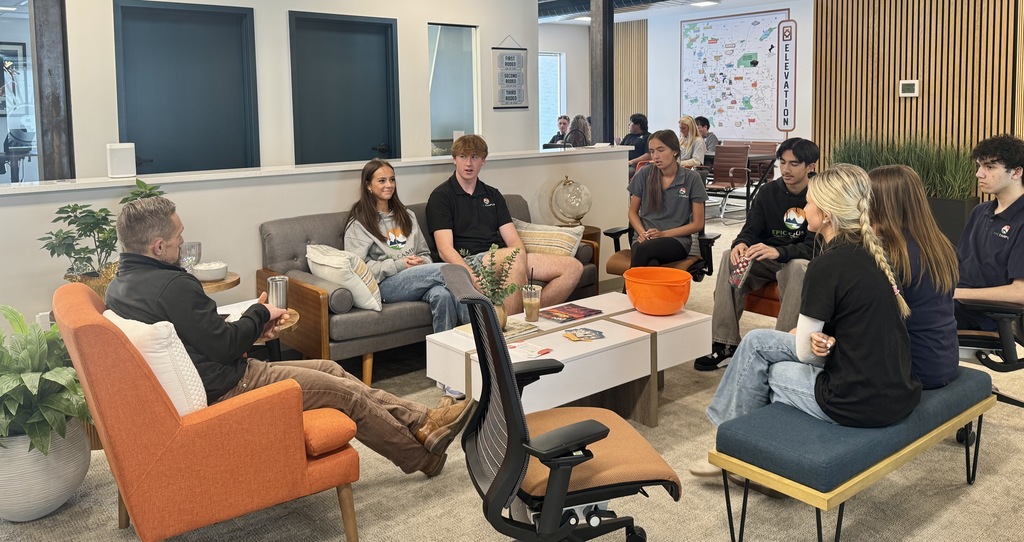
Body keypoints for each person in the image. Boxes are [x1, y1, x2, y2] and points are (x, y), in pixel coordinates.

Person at [105, 197, 475, 478]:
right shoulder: (173, 284)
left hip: (217, 374)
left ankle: (423, 420)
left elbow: (199, 332)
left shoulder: (120, 286)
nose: (182, 242)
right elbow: (226, 344)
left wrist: (252, 324)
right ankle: (422, 457)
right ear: (157, 246)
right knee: (345, 395)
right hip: (233, 384)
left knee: (331, 368)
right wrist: (259, 314)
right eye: (177, 236)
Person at [704, 163, 921, 433]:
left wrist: (806, 337)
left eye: (808, 203)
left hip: (855, 402)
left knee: (763, 368)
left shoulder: (826, 265)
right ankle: (732, 433)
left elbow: (807, 354)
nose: (803, 210)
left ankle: (732, 441)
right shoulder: (877, 255)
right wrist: (822, 337)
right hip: (899, 392)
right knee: (757, 341)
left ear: (826, 215)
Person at [694, 137, 819, 371]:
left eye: (794, 164)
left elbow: (814, 247)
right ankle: (725, 345)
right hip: (766, 260)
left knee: (799, 265)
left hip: (796, 262)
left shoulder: (819, 195)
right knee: (729, 257)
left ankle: (782, 347)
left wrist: (778, 251)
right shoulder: (768, 192)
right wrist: (742, 243)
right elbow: (751, 230)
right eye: (782, 162)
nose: (786, 169)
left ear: (811, 166)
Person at [426, 134, 584, 314]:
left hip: (502, 257)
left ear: (483, 161)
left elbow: (513, 241)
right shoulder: (441, 197)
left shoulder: (492, 195)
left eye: (475, 157)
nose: (469, 163)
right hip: (470, 261)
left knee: (573, 267)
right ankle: (510, 335)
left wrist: (521, 264)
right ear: (454, 160)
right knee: (513, 257)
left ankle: (528, 316)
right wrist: (473, 277)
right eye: (463, 157)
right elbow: (445, 250)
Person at [343, 158, 469, 334]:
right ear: (368, 186)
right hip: (386, 285)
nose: (389, 185)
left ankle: (444, 357)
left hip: (418, 278)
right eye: (382, 180)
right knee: (450, 270)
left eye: (392, 179)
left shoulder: (407, 215)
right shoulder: (359, 224)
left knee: (442, 295)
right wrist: (400, 264)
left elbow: (425, 253)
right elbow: (359, 269)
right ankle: (483, 339)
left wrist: (420, 261)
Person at [868, 165, 959, 389]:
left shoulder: (895, 256)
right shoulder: (939, 245)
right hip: (942, 361)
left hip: (912, 369)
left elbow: (872, 325)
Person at [954, 134, 1024, 330]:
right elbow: (959, 264)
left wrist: (956, 293)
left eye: (989, 167)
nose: (979, 174)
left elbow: (1020, 293)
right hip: (956, 307)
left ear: (1016, 172)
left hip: (986, 317)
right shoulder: (980, 211)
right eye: (979, 166)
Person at [626, 129, 707, 268]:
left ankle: (627, 290)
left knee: (644, 250)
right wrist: (642, 233)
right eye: (652, 151)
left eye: (661, 150)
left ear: (675, 151)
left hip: (676, 240)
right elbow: (632, 212)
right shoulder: (645, 173)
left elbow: (698, 224)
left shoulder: (692, 178)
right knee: (652, 264)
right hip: (644, 238)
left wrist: (663, 234)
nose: (656, 156)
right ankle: (634, 291)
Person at [619, 113, 651, 178]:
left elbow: (648, 155)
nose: (628, 125)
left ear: (637, 125)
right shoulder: (628, 136)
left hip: (636, 165)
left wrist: (632, 162)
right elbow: (620, 149)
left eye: (630, 123)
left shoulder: (648, 137)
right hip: (622, 163)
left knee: (622, 172)